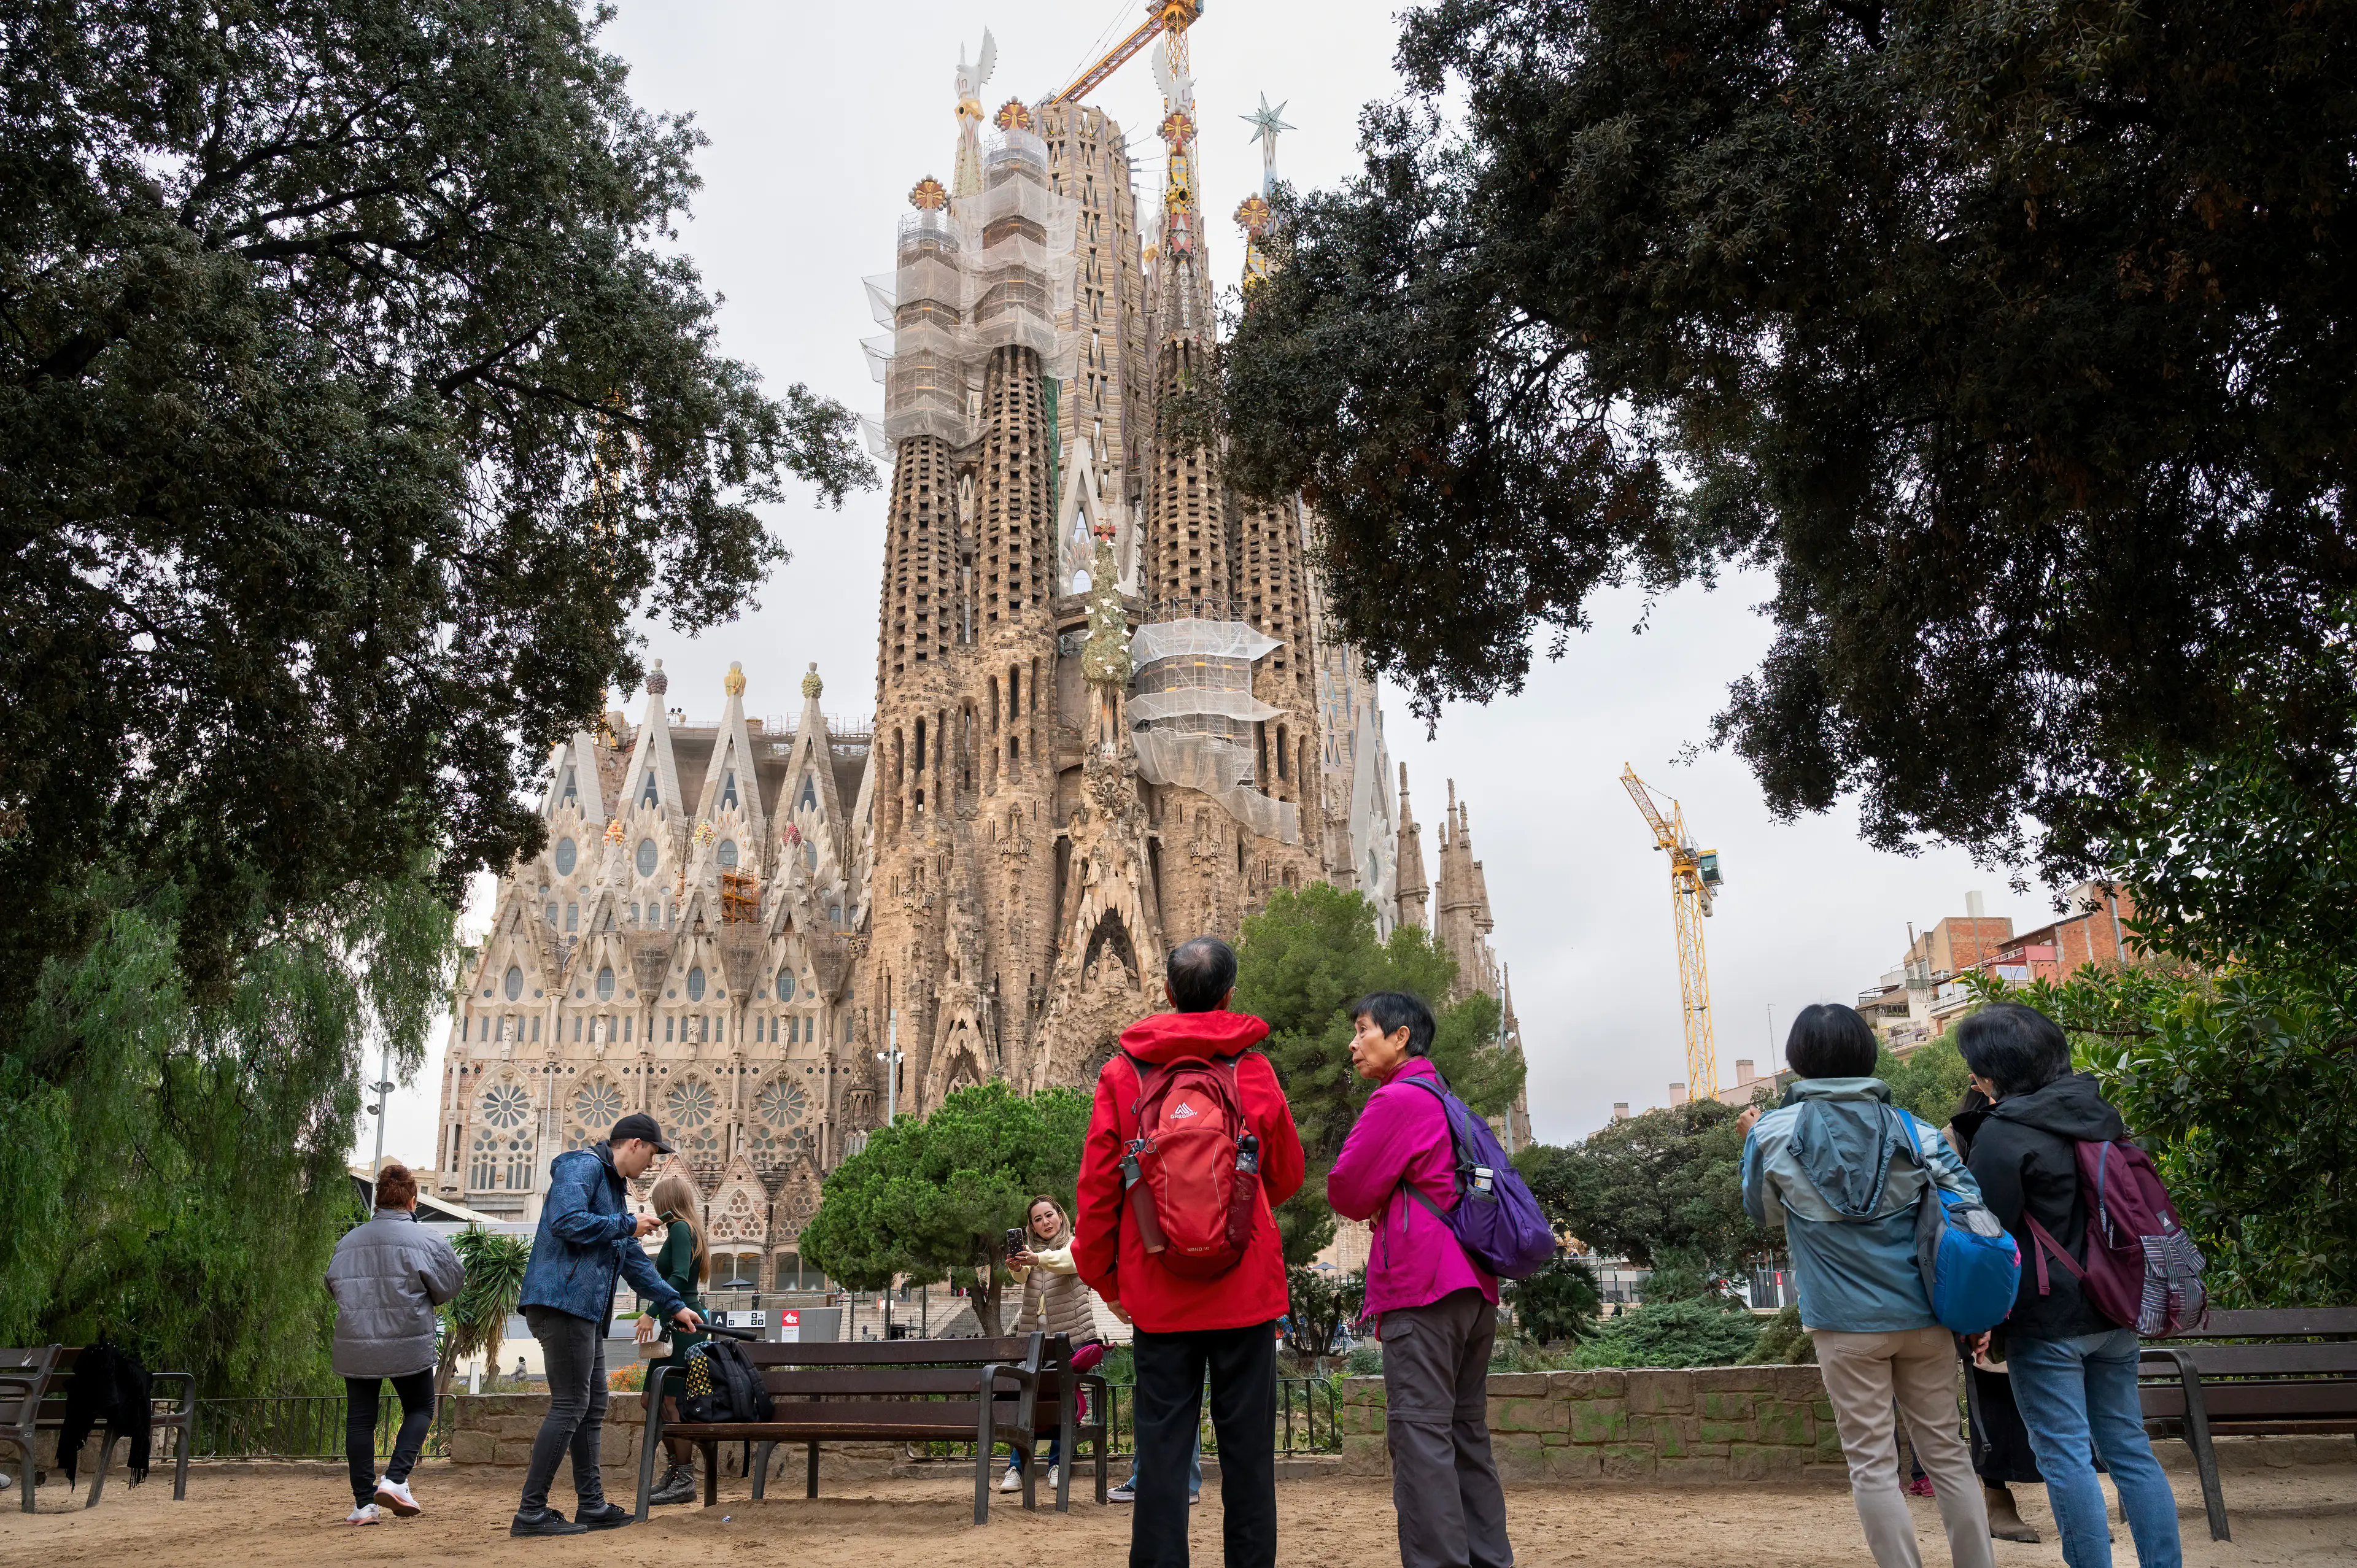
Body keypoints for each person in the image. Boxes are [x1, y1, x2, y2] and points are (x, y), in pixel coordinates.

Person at [1075, 936, 1305, 1568]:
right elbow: (1285, 1174)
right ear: (1229, 995)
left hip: (1158, 1287)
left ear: (1168, 994)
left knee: (1163, 1454)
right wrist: (1235, 1208)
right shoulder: (1251, 1069)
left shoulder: (1124, 1073)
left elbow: (1098, 1190)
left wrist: (1107, 1279)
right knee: (1250, 1457)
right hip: (1245, 1291)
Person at [1741, 1003, 1996, 1568]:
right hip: (1927, 1317)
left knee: (1872, 1465)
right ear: (1868, 1052)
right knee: (1949, 1458)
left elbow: (1765, 1214)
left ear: (1797, 1060)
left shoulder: (1772, 1133)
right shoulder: (1918, 1131)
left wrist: (1755, 1137)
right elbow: (1973, 1214)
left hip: (1842, 1323)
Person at [1956, 1003, 2182, 1568]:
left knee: (2063, 1459)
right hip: (2116, 1309)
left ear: (1995, 1073)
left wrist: (1976, 1320)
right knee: (2130, 1449)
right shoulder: (2100, 1114)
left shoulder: (2003, 1135)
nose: (1972, 1078)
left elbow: (1988, 1239)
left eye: (1975, 1067)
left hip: (2049, 1324)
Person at [1325, 991, 1511, 1568]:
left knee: (1422, 1438)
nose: (1352, 1045)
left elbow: (1346, 1189)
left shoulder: (1396, 1100)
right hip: (1474, 1290)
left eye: (1363, 1030)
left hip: (1423, 1291)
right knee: (1465, 1437)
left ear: (1400, 1036)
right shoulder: (1449, 1101)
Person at [510, 1113, 703, 1537]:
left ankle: (592, 1504)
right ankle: (531, 1513)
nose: (652, 1164)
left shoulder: (614, 1192)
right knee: (571, 1405)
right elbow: (565, 1221)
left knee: (592, 1405)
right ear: (633, 1143)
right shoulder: (582, 1167)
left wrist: (674, 1306)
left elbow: (633, 1260)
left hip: (584, 1311)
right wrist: (627, 1224)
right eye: (652, 1153)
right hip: (562, 1303)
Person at [324, 1161, 465, 1524]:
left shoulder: (348, 1242)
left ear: (378, 1201)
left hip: (357, 1343)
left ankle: (362, 1506)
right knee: (420, 1408)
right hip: (407, 1341)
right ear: (413, 1200)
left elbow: (333, 1285)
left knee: (360, 1421)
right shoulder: (428, 1241)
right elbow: (450, 1285)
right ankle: (395, 1479)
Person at [1943, 1084, 2047, 1543]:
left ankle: (2073, 1500)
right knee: (1993, 1396)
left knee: (2051, 1393)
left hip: (2045, 1281)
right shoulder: (1960, 1133)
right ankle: (1996, 1496)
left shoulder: (2047, 1117)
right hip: (1991, 1277)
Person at [1001, 1194, 1101, 1493]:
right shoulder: (1034, 1254)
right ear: (1031, 1226)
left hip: (1070, 1339)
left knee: (1062, 1402)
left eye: (1049, 1215)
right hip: (1034, 1341)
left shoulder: (1075, 1245)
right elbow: (1022, 1279)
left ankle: (1059, 1463)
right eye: (1037, 1219)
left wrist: (1036, 1258)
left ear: (1061, 1215)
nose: (1045, 1222)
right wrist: (1017, 1265)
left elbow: (1070, 1263)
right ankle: (1016, 1468)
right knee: (1026, 1404)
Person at [639, 1170, 711, 1507]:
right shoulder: (684, 1229)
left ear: (667, 1202)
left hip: (684, 1324)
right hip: (678, 1322)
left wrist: (651, 1311)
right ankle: (675, 1471)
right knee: (651, 1400)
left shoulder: (681, 1229)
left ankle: (683, 1477)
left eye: (658, 1204)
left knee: (673, 1403)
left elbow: (681, 1278)